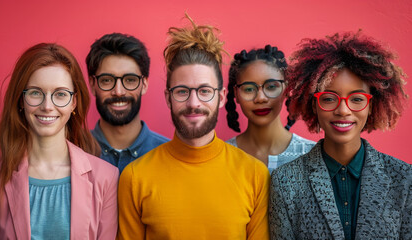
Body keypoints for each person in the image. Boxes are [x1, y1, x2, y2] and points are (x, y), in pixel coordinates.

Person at [117, 14, 270, 240]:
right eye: (182, 91)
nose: (193, 103)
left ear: (221, 97)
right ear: (168, 98)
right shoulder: (135, 177)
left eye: (204, 91)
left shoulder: (255, 175)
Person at [269, 31, 411, 239]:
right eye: (328, 98)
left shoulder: (404, 179)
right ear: (314, 105)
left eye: (356, 99)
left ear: (371, 105)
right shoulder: (285, 182)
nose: (343, 110)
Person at [0, 43, 119, 239]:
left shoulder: (106, 177)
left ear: (74, 102)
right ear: (21, 100)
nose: (47, 106)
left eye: (60, 94)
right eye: (35, 93)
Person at [86, 33, 169, 173]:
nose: (118, 91)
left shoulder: (168, 155)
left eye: (130, 80)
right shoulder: (72, 151)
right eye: (107, 80)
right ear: (93, 85)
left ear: (144, 84)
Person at [225, 45, 315, 173]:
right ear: (236, 94)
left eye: (271, 87)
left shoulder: (311, 155)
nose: (260, 98)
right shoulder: (222, 156)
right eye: (249, 89)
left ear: (286, 89)